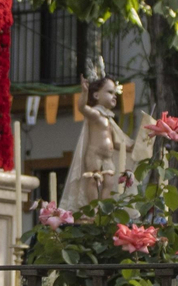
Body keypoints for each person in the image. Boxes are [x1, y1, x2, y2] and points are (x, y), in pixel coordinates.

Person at [60, 75, 153, 211]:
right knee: (94, 181)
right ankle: (94, 209)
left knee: (109, 183)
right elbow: (82, 107)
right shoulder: (95, 114)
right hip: (95, 155)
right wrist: (85, 92)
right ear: (96, 95)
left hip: (107, 157)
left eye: (115, 93)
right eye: (110, 92)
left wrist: (130, 147)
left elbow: (115, 143)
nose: (114, 96)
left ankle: (104, 210)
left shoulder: (109, 120)